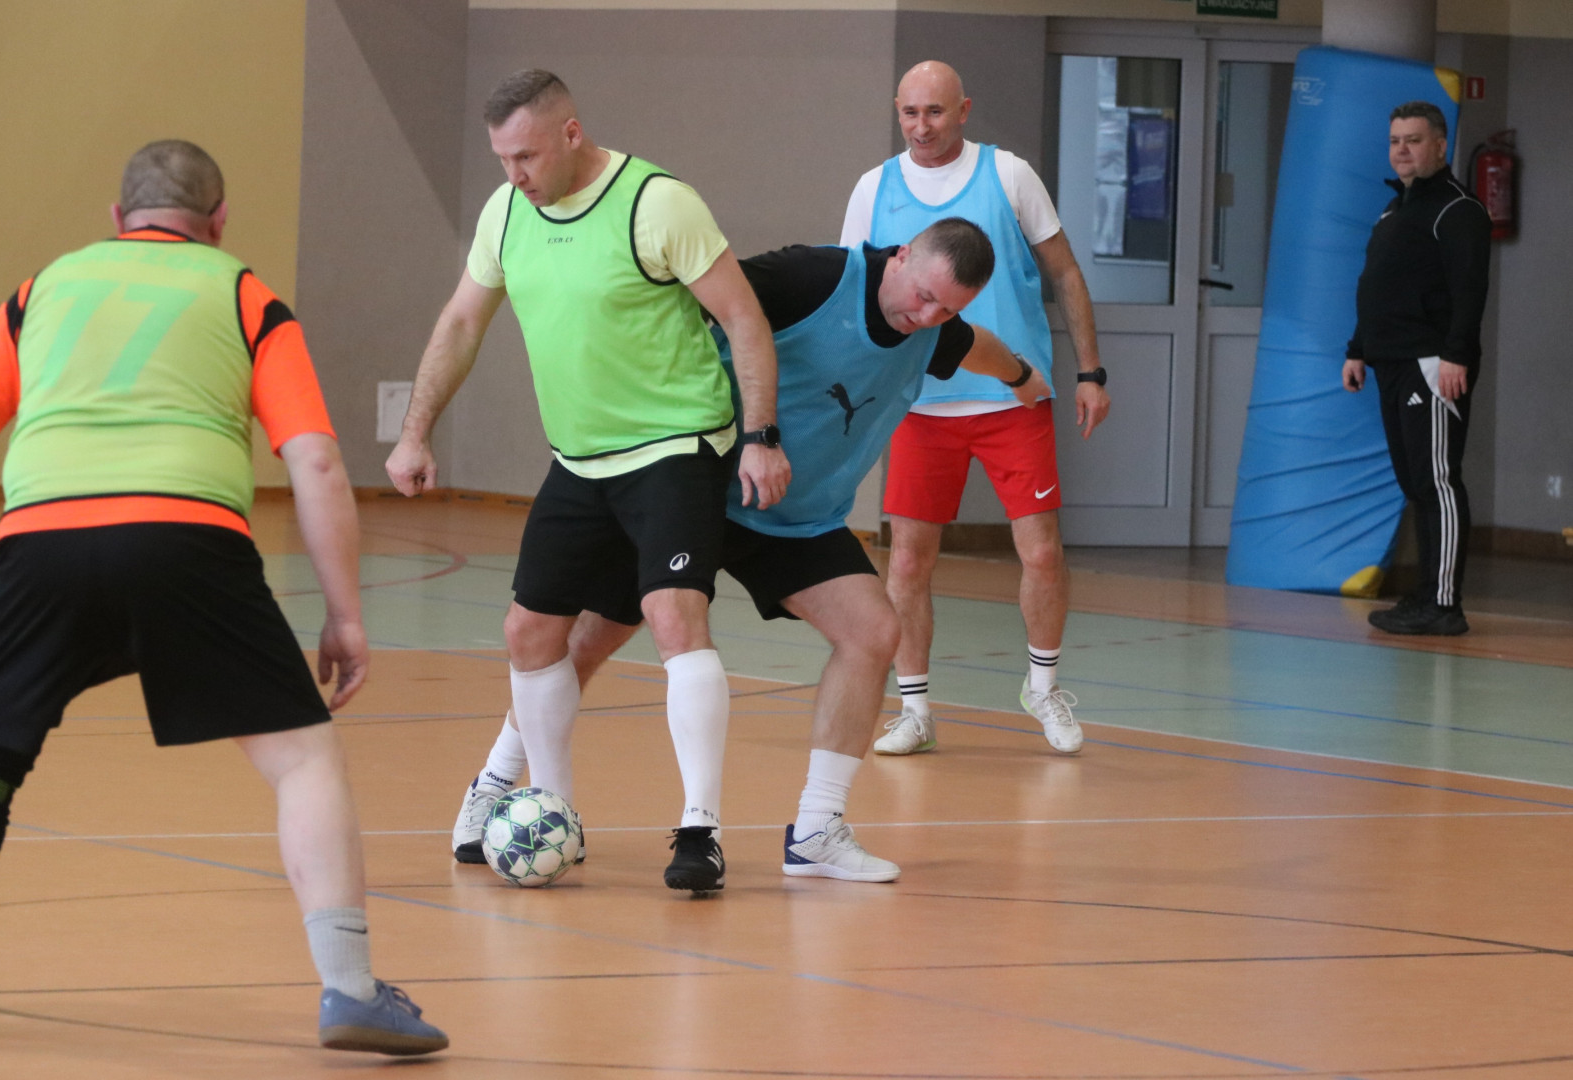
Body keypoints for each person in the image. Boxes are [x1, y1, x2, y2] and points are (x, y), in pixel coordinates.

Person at [0, 141, 445, 1054]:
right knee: (302, 760)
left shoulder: (40, 290)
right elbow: (316, 462)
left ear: (117, 218)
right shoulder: (244, 294)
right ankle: (350, 989)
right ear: (219, 222)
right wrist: (344, 615)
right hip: (188, 541)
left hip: (42, 542)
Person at [451, 219, 1049, 882]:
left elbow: (977, 347)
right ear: (902, 256)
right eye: (925, 296)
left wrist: (1023, 377)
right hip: (696, 484)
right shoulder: (814, 277)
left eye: (947, 309)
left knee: (874, 631)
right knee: (588, 644)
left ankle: (817, 830)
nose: (928, 315)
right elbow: (704, 303)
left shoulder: (934, 331)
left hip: (794, 518)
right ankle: (497, 780)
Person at [384, 71, 787, 895]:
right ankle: (554, 809)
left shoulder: (657, 204)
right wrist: (415, 430)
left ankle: (701, 828)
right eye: (503, 159)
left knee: (673, 613)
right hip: (579, 460)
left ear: (571, 134)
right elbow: (461, 321)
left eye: (527, 156)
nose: (515, 175)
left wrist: (760, 437)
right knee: (528, 632)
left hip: (675, 446)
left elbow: (743, 317)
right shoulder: (506, 214)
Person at [840, 61, 1110, 757]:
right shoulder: (874, 188)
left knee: (1041, 552)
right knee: (908, 563)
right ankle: (915, 709)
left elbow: (1065, 271)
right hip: (917, 403)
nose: (921, 126)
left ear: (963, 109)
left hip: (1013, 395)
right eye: (909, 112)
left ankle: (1043, 688)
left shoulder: (1009, 175)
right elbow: (853, 291)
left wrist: (1090, 370)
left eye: (934, 112)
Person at [1344, 101, 1491, 636]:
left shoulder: (1458, 209)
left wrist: (1456, 355)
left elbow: (1469, 290)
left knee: (1437, 482)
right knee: (1415, 483)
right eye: (1395, 141)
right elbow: (1377, 284)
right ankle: (1426, 595)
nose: (1402, 150)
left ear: (1440, 145)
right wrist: (1357, 348)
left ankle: (1445, 605)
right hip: (1391, 361)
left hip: (1432, 363)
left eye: (1413, 139)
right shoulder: (1395, 209)